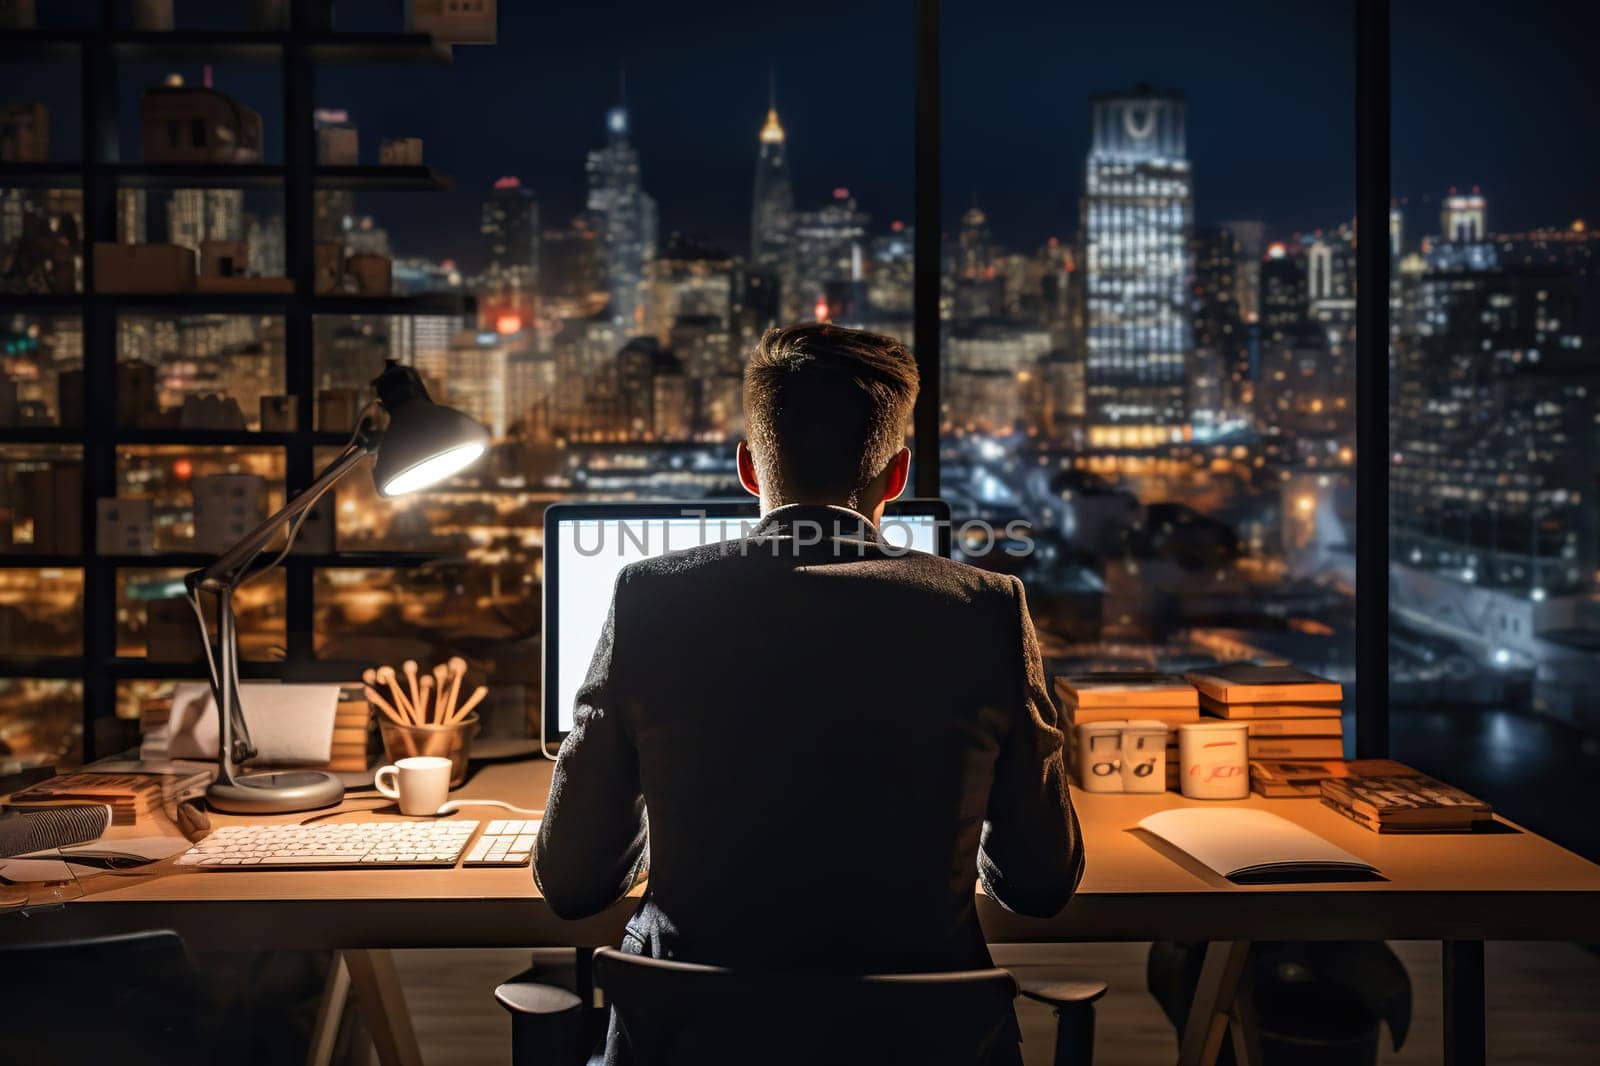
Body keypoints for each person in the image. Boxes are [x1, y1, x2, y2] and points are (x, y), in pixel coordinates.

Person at [535, 323, 1083, 1064]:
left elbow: (571, 883)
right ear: (897, 476)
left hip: (693, 1045)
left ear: (748, 470)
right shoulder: (985, 606)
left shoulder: (649, 599)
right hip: (923, 1047)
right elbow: (1040, 884)